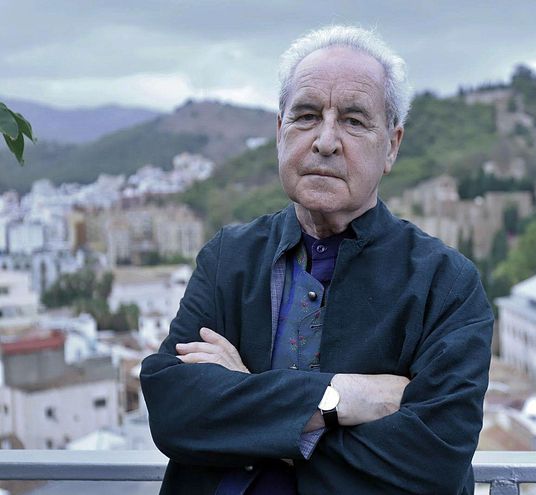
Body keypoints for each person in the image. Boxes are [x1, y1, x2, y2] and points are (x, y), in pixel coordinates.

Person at [140, 25, 494, 495]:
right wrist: (343, 398)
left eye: (353, 120)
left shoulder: (444, 284)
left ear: (391, 145)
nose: (325, 141)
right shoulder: (231, 257)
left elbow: (433, 463)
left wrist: (248, 401)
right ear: (279, 131)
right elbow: (174, 410)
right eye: (306, 116)